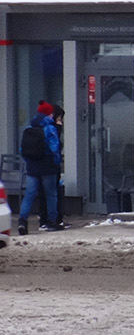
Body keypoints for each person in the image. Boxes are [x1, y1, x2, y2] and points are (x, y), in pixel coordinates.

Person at [17, 100, 64, 235]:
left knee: (29, 195)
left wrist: (29, 162)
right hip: (47, 166)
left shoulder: (28, 128)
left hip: (32, 167)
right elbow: (54, 147)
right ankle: (52, 221)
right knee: (51, 195)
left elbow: (22, 149)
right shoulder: (49, 128)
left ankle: (22, 221)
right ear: (49, 114)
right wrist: (56, 162)